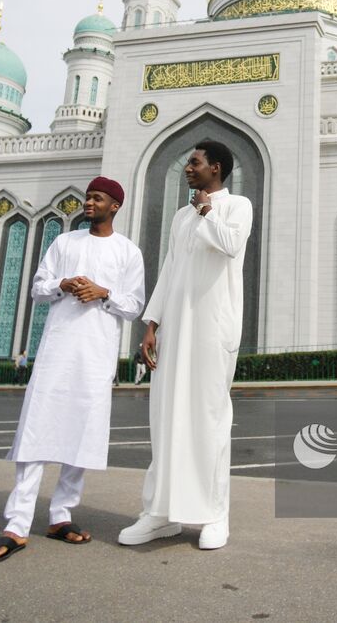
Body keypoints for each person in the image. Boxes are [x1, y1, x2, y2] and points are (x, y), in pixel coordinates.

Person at [0, 177, 145, 563]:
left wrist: (102, 292)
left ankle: (60, 515)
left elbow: (134, 304)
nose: (89, 202)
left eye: (97, 198)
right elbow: (38, 288)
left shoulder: (127, 251)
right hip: (57, 349)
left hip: (96, 354)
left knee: (80, 434)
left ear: (115, 206)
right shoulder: (64, 243)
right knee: (37, 430)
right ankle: (16, 524)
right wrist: (64, 283)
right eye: (88, 197)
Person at [118, 140, 252, 551]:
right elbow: (170, 271)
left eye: (194, 163)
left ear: (216, 168)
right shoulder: (181, 217)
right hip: (176, 329)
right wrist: (152, 325)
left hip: (213, 329)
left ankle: (214, 515)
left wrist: (207, 210)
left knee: (209, 420)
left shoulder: (236, 207)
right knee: (166, 417)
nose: (188, 168)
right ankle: (160, 513)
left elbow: (230, 245)